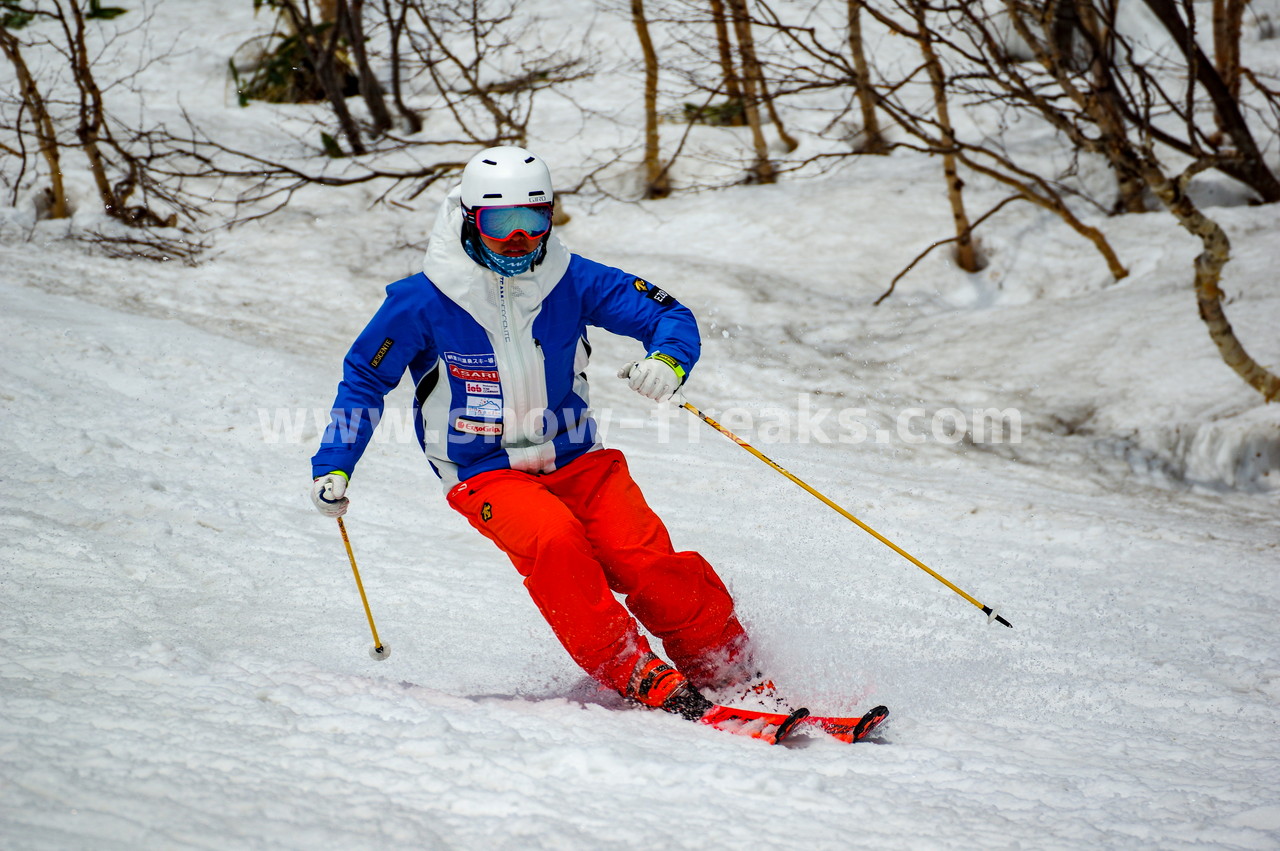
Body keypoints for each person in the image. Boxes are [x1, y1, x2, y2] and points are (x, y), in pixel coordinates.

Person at [310, 146, 759, 721]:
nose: (519, 238)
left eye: (534, 221)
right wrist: (335, 461)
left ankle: (727, 666)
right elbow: (366, 378)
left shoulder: (572, 280)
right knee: (555, 541)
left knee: (647, 562)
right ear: (471, 219)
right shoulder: (421, 300)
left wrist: (668, 360)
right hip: (482, 471)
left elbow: (667, 315)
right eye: (502, 224)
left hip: (577, 458)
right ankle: (633, 669)